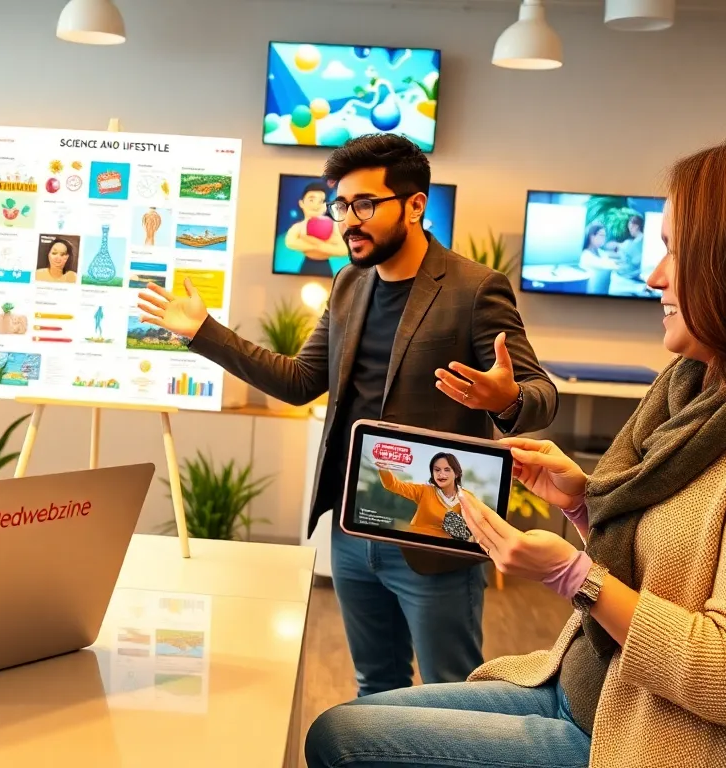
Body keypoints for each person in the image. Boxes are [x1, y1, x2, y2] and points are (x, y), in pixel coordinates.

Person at [305, 125, 726, 768]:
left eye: (676, 250)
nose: (652, 274)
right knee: (350, 717)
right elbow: (677, 566)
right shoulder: (696, 391)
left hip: (641, 738)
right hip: (592, 691)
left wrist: (574, 577)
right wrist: (583, 505)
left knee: (341, 739)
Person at [138, 133, 558, 696]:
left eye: (364, 204)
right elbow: (299, 381)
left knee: (454, 695)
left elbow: (539, 393)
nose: (347, 221)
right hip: (353, 531)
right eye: (341, 205)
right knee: (375, 688)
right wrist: (203, 333)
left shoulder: (475, 289)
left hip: (433, 538)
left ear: (414, 205)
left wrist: (504, 399)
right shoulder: (348, 283)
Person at [374, 453, 473, 541]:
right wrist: (384, 467)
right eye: (437, 470)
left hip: (445, 554)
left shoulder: (467, 498)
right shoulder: (424, 491)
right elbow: (393, 485)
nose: (441, 474)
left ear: (456, 473)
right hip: (414, 545)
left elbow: (477, 528)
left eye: (447, 470)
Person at [284, 181, 349, 276]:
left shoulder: (333, 226)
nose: (316, 205)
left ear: (325, 206)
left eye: (321, 201)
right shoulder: (299, 226)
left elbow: (344, 250)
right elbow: (290, 242)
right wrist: (326, 245)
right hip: (307, 265)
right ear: (301, 203)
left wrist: (314, 242)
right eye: (311, 200)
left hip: (325, 267)